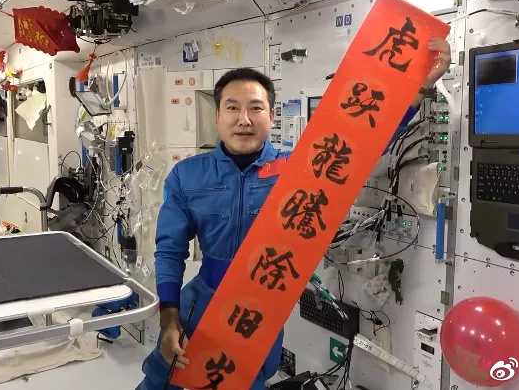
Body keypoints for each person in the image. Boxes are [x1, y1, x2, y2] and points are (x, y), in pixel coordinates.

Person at [136, 37, 452, 390]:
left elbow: (364, 143)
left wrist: (420, 88)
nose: (244, 119)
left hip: (259, 314)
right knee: (163, 381)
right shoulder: (187, 175)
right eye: (232, 108)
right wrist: (169, 319)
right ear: (217, 116)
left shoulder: (299, 172)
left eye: (256, 108)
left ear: (272, 116)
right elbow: (170, 250)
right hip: (199, 308)